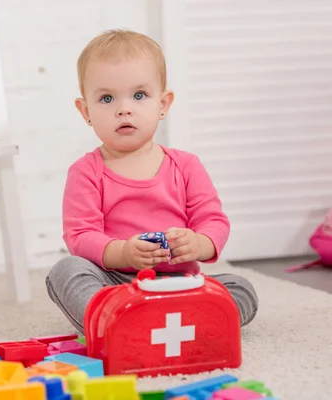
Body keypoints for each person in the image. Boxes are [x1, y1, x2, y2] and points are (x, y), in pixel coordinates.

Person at [45, 29, 258, 333]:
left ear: (163, 104)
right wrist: (122, 253)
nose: (124, 108)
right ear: (85, 111)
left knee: (240, 287)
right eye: (106, 98)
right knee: (66, 271)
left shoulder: (185, 165)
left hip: (180, 283)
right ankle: (119, 324)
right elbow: (80, 235)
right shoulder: (86, 171)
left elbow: (213, 220)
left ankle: (183, 323)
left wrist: (198, 244)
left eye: (139, 95)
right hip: (116, 285)